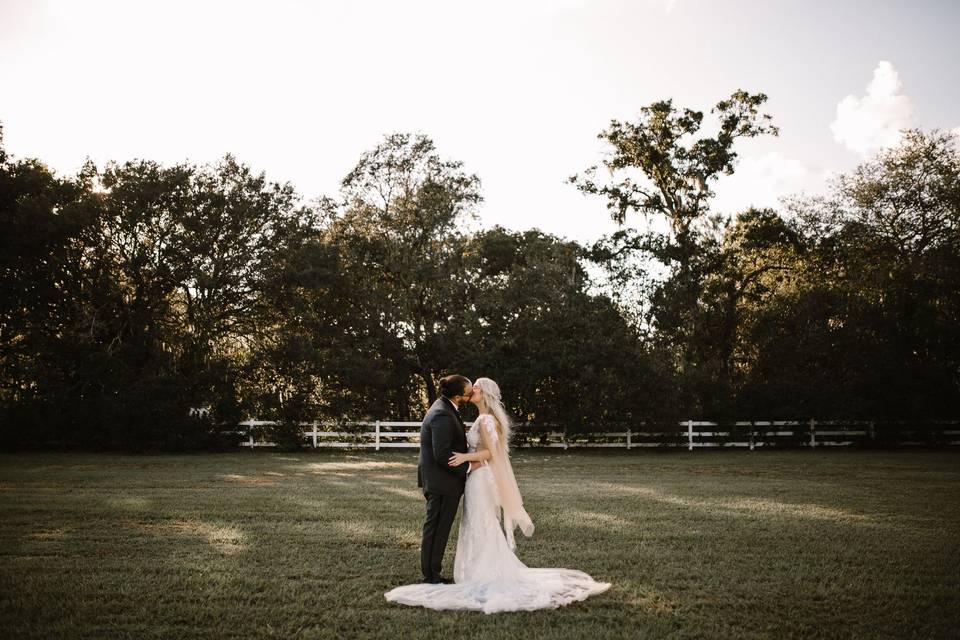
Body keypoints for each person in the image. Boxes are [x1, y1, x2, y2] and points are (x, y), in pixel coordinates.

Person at [386, 377, 611, 613]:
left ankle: (480, 572)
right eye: (468, 389)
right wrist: (468, 465)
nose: (471, 391)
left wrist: (466, 460)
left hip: (479, 479)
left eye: (475, 388)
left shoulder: (485, 419)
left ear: (483, 394)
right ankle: (450, 572)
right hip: (466, 479)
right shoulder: (461, 414)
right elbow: (455, 451)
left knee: (480, 523)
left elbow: (491, 453)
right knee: (471, 524)